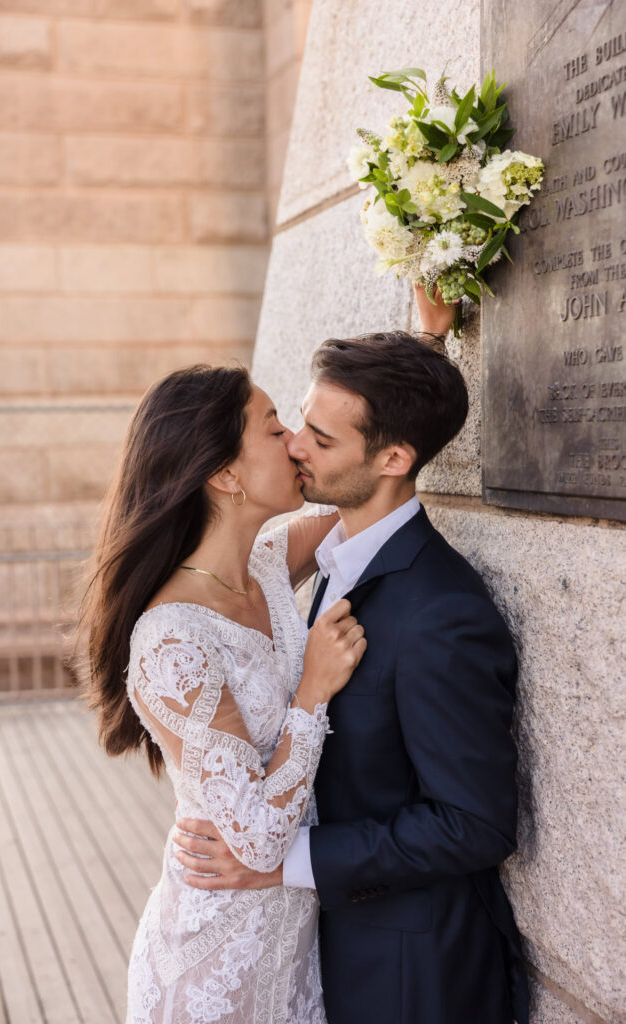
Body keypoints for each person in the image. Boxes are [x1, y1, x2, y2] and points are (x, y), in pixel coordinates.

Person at [172, 289, 529, 1024]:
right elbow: (386, 422)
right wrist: (422, 346)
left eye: (320, 440)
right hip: (320, 950)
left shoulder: (443, 615)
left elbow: (474, 823)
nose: (296, 445)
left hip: (407, 975)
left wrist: (280, 862)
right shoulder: (315, 552)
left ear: (394, 458)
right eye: (299, 423)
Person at [80, 361, 368, 1024]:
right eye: (274, 430)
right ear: (224, 475)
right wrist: (313, 689)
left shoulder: (266, 565)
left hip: (296, 943)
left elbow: (372, 483)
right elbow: (260, 841)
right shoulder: (171, 641)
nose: (296, 441)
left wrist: (430, 337)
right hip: (216, 968)